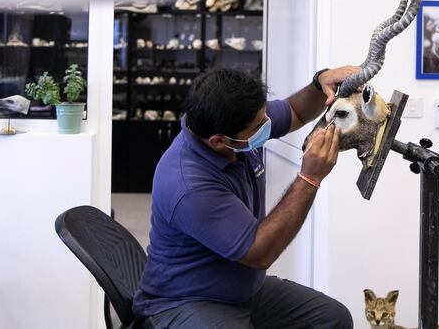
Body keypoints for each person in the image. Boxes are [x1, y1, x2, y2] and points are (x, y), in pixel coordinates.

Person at [134, 66, 358, 328]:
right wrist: (310, 178)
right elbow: (259, 252)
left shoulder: (235, 125)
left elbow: (294, 112)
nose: (267, 126)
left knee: (333, 319)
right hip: (185, 301)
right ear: (218, 141)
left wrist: (320, 83)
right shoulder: (188, 184)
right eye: (258, 126)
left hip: (240, 291)